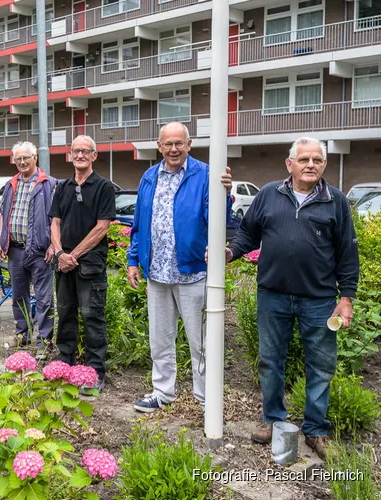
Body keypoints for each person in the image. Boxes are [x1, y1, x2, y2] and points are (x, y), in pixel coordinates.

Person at [218, 137, 359, 460]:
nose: (311, 165)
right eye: (304, 159)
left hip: (319, 299)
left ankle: (315, 429)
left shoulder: (335, 201)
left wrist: (346, 297)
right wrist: (230, 253)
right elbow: (248, 234)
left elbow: (347, 254)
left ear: (324, 165)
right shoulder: (269, 194)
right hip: (273, 296)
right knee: (270, 362)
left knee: (321, 366)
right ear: (289, 164)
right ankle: (273, 420)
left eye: (317, 160)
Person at [126, 121, 232, 413]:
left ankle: (206, 398)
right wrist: (134, 260)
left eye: (179, 143)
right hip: (157, 274)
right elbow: (139, 225)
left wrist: (225, 195)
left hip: (192, 273)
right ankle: (163, 392)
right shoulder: (149, 177)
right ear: (159, 146)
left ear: (189, 144)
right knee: (159, 338)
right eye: (167, 144)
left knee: (201, 342)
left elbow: (218, 221)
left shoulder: (206, 174)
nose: (173, 149)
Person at [50, 135, 116, 393]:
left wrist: (72, 255)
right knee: (65, 315)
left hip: (89, 266)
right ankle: (63, 366)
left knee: (92, 318)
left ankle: (95, 373)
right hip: (64, 264)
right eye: (76, 151)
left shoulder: (103, 187)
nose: (80, 155)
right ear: (70, 154)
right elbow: (55, 222)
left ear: (94, 155)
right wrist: (58, 253)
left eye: (85, 151)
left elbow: (103, 227)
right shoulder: (63, 186)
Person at [0, 141, 57, 356]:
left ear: (35, 157)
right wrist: (1, 242)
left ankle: (44, 341)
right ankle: (22, 335)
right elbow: (3, 214)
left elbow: (58, 219)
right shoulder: (11, 184)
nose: (22, 162)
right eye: (18, 159)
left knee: (44, 298)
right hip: (15, 250)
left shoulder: (49, 183)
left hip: (41, 252)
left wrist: (53, 245)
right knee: (18, 296)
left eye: (26, 158)